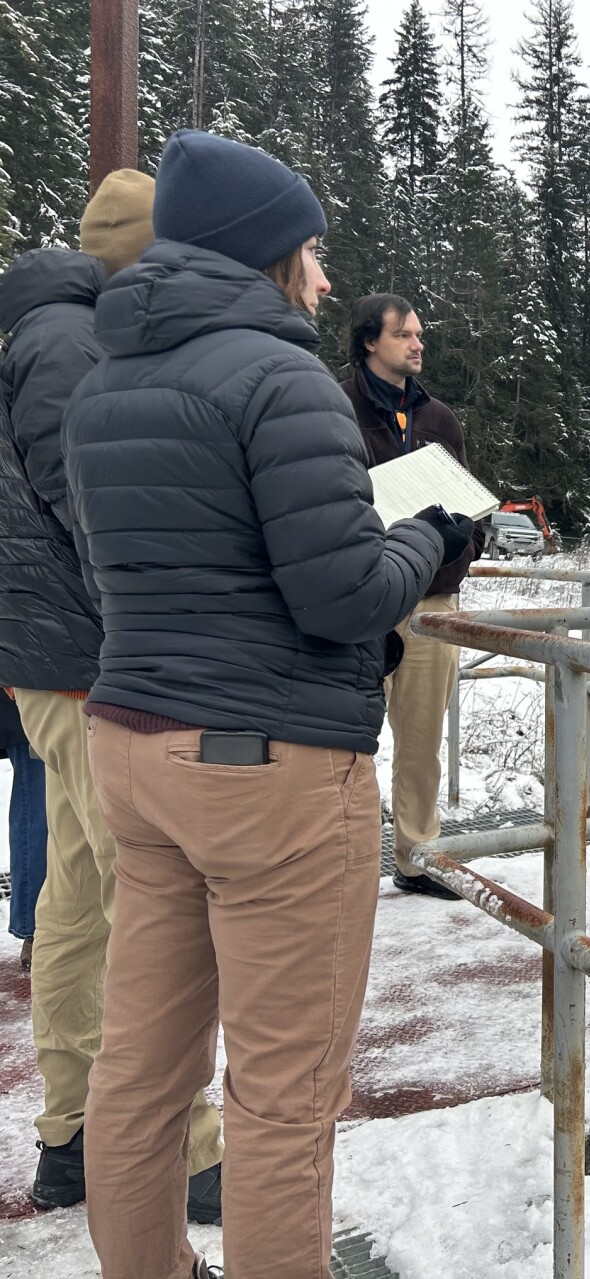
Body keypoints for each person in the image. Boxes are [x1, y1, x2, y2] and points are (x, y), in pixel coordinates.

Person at [62, 131, 471, 1279]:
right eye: (312, 251)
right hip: (270, 769)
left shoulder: (104, 379)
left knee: (140, 1069)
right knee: (284, 1094)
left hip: (135, 746)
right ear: (265, 253)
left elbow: (128, 569)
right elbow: (340, 592)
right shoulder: (278, 373)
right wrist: (426, 530)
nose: (326, 279)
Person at [0, 170, 225, 1216]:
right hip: (93, 657)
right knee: (153, 900)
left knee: (83, 894)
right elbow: (88, 503)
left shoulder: (49, 330)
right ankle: (183, 1149)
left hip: (60, 657)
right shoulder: (66, 342)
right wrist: (157, 619)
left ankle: (72, 1131)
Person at [340, 294, 485, 900]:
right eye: (404, 335)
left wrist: (463, 545)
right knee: (346, 740)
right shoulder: (333, 406)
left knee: (422, 741)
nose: (418, 344)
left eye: (420, 334)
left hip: (430, 605)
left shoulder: (441, 421)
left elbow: (471, 505)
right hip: (357, 599)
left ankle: (417, 857)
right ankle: (343, 857)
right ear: (370, 341)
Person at [1, 690, 47, 970]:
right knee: (36, 811)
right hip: (32, 697)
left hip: (31, 694)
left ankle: (34, 926)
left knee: (36, 809)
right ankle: (33, 927)